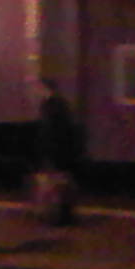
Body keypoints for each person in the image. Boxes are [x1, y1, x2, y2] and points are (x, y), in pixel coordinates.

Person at [32, 76, 84, 227]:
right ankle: (63, 214)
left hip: (56, 150)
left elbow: (51, 130)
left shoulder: (50, 105)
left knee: (57, 183)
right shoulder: (59, 104)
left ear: (45, 88)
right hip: (61, 150)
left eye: (39, 88)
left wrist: (46, 150)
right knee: (62, 182)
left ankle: (58, 215)